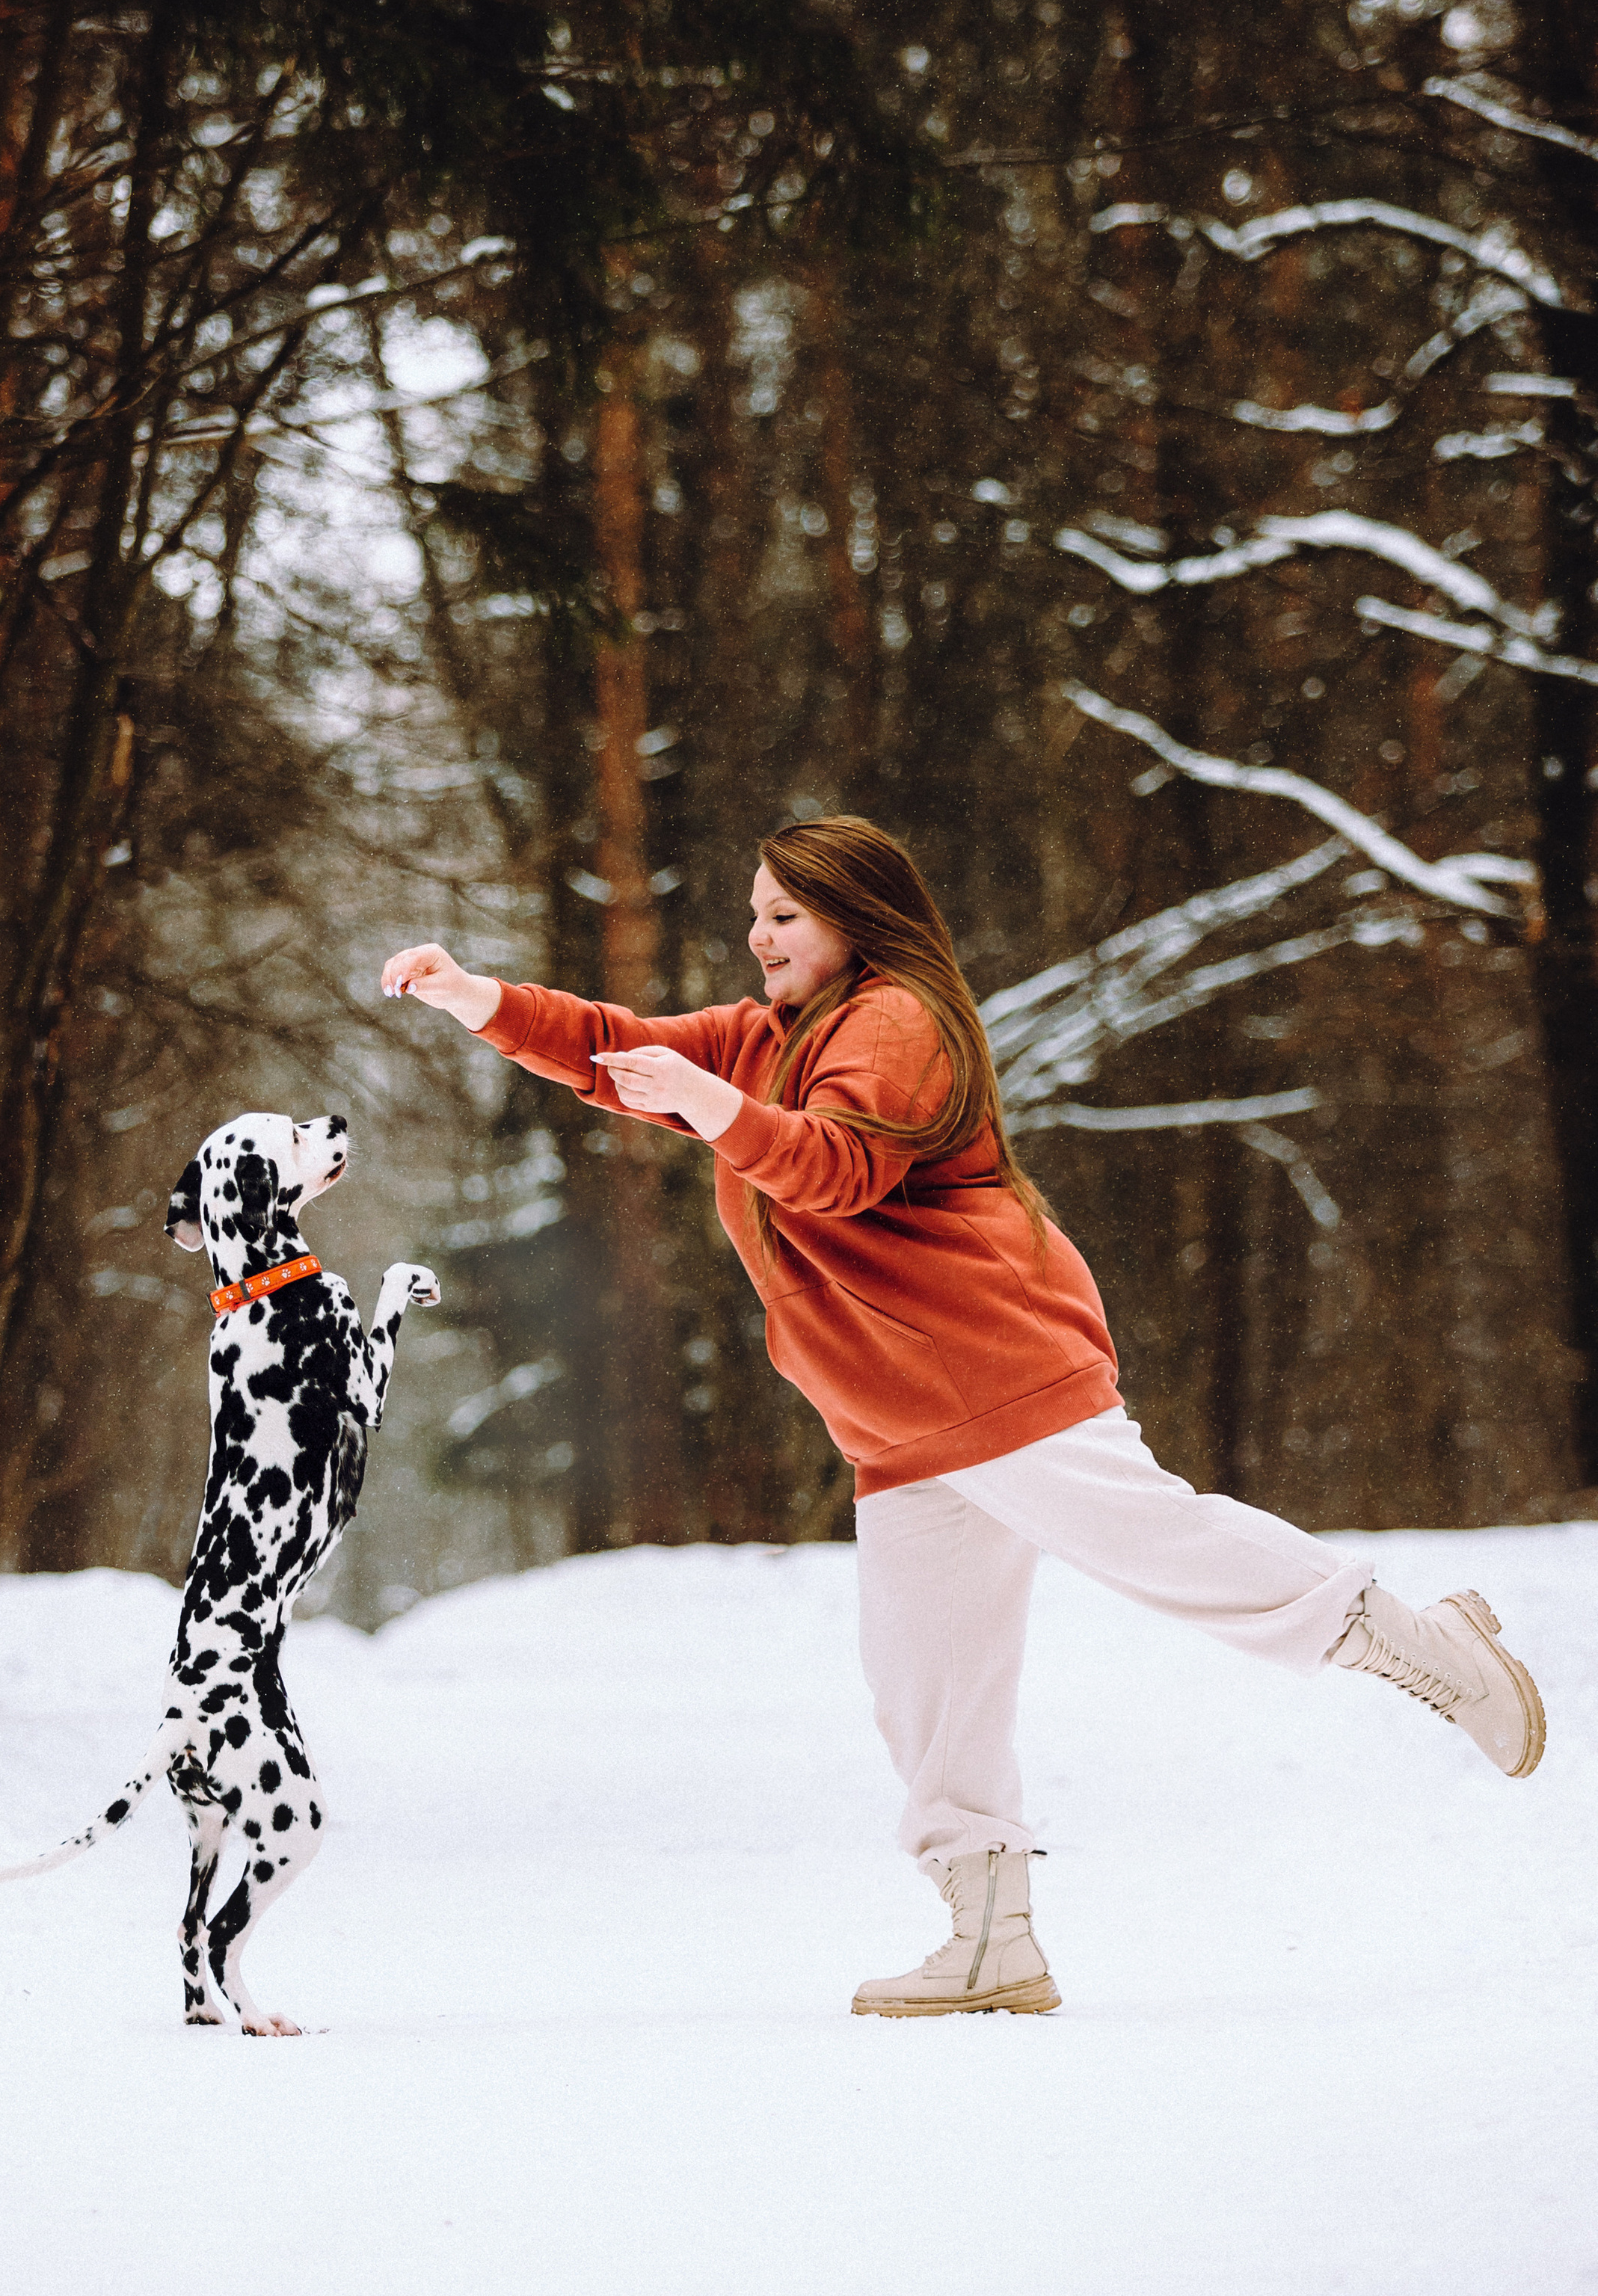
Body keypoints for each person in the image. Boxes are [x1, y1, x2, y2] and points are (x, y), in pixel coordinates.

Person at [381, 815, 1546, 2018]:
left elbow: (837, 1168)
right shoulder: (771, 1036)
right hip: (894, 1417)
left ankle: (1431, 1650)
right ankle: (991, 1938)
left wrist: (709, 1107)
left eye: (785, 914)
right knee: (925, 1677)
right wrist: (477, 1000)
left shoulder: (898, 1022)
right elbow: (616, 1046)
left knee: (1166, 1551)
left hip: (989, 1371)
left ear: (856, 919)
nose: (757, 933)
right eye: (756, 911)